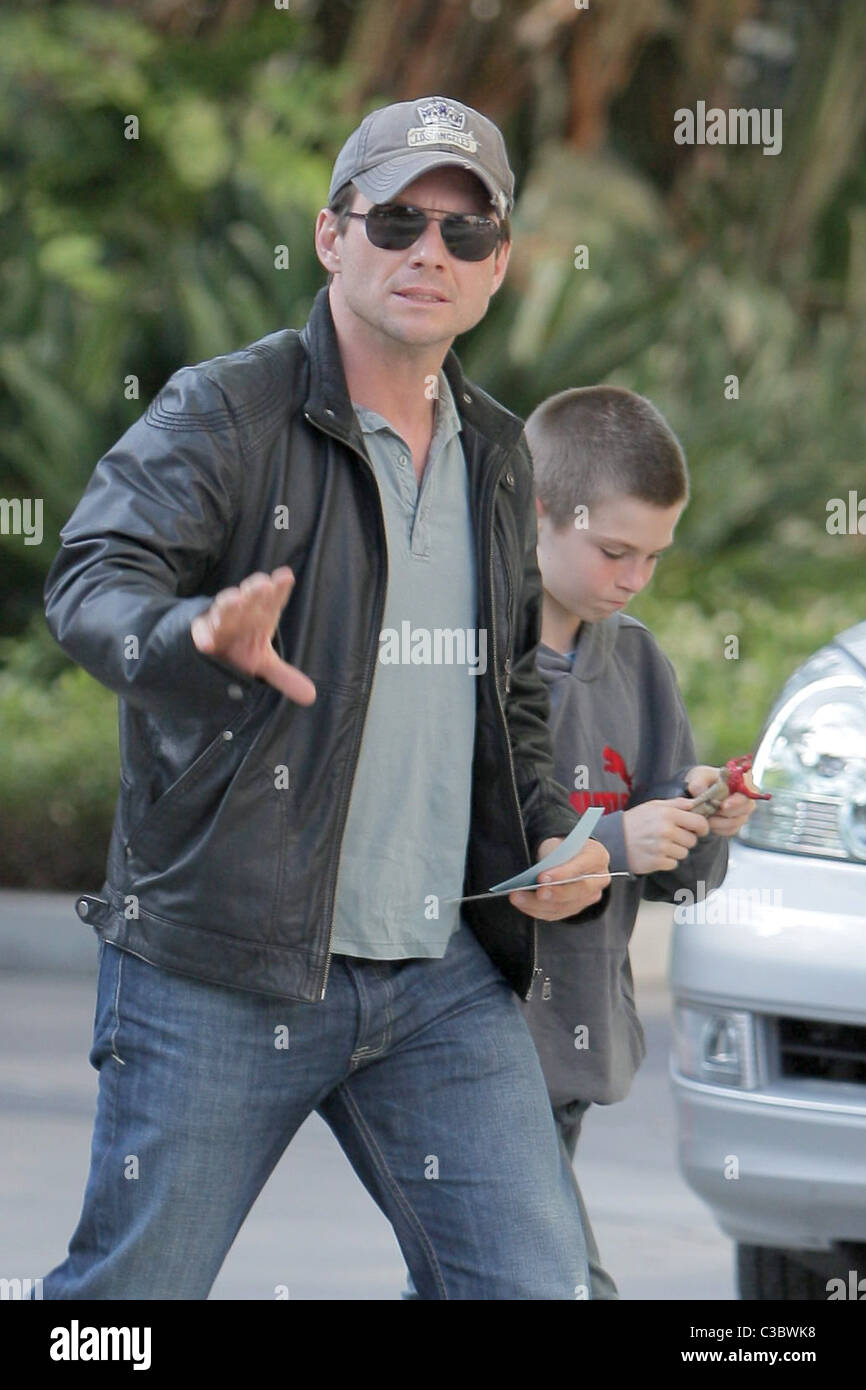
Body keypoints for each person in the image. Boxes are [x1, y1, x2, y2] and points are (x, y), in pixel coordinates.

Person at [37, 96, 613, 1301]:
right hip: (225, 961)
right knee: (127, 1304)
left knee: (539, 1287)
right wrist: (191, 635)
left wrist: (551, 829)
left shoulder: (499, 454)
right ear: (329, 235)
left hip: (437, 968)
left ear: (497, 265)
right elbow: (92, 579)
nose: (427, 253)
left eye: (463, 234)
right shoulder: (225, 410)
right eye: (397, 218)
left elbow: (505, 684)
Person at [521, 384, 759, 1296]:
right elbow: (478, 854)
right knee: (555, 1277)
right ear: (536, 514)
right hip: (476, 1044)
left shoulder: (639, 661)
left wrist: (702, 820)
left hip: (577, 1038)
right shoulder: (467, 661)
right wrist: (621, 839)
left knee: (474, 1275)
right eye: (614, 551)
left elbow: (683, 885)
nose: (632, 578)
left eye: (655, 557)